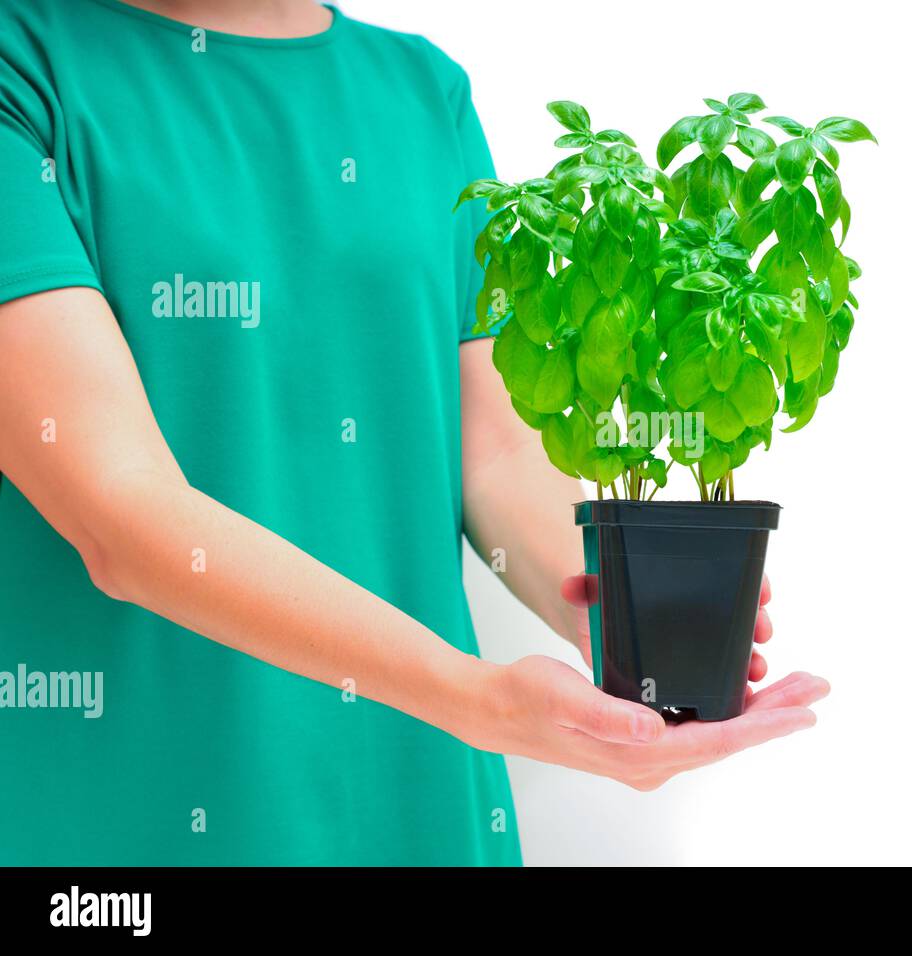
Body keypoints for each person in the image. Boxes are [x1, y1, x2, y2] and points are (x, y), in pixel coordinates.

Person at [0, 0, 829, 865]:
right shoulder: (25, 68)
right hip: (138, 824)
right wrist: (476, 699)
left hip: (417, 800)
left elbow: (496, 444)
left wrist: (618, 617)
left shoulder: (422, 90)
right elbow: (115, 512)